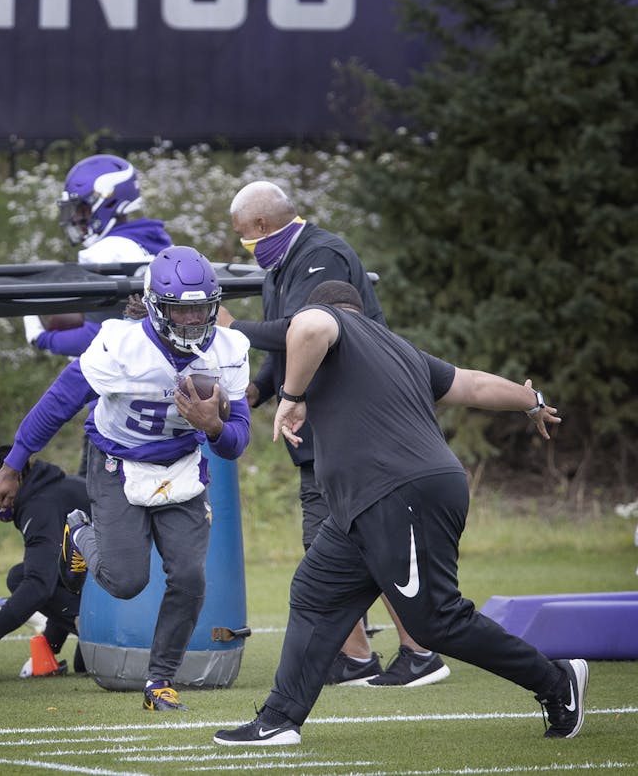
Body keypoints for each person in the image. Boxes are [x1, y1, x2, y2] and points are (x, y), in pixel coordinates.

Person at [214, 281, 580, 746]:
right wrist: (532, 401)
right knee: (314, 593)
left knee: (435, 620)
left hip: (399, 493)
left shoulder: (327, 323)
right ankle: (279, 719)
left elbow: (309, 328)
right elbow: (473, 383)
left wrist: (289, 395)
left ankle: (557, 682)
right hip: (365, 505)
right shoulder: (400, 349)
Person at [0, 246, 252, 711]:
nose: (192, 319)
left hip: (181, 465)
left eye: (200, 307)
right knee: (126, 580)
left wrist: (212, 426)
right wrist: (13, 465)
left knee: (190, 577)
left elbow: (236, 440)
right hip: (118, 461)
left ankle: (159, 682)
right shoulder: (120, 344)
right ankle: (80, 533)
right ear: (155, 305)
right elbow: (59, 402)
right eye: (180, 308)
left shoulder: (229, 350)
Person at [219, 180, 445, 687]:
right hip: (319, 434)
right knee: (330, 543)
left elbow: (309, 330)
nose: (243, 246)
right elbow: (289, 348)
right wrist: (259, 391)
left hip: (355, 427)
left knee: (367, 540)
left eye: (242, 236)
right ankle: (357, 658)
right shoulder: (278, 267)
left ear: (260, 226)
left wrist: (234, 329)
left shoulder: (324, 254)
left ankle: (421, 650)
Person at [0, 446, 90, 676]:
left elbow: (40, 586)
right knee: (84, 663)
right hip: (123, 589)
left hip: (131, 599)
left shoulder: (40, 506)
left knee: (20, 578)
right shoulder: (50, 490)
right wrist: (49, 647)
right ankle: (93, 627)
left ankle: (95, 627)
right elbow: (60, 577)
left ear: (16, 475)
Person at [23, 154, 172, 358]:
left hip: (123, 375)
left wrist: (41, 338)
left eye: (81, 209)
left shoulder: (103, 253)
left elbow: (96, 339)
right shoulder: (161, 243)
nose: (75, 217)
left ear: (105, 202)